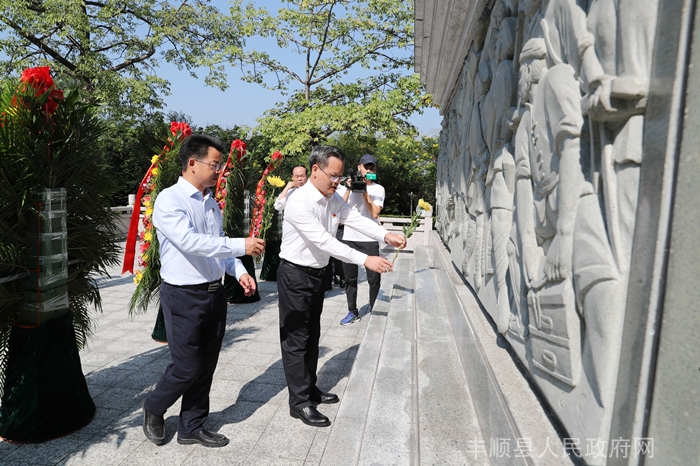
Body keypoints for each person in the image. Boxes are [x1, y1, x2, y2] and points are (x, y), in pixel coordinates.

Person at [142, 134, 265, 448]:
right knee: (186, 366)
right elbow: (190, 243)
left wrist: (238, 270)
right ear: (192, 163)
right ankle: (154, 407)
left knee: (206, 365)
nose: (218, 170)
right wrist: (243, 246)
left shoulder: (211, 202)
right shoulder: (170, 200)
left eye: (220, 165)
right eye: (214, 164)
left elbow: (217, 248)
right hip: (183, 296)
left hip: (214, 294)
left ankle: (191, 427)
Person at [278, 145, 406, 427]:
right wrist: (365, 260)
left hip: (316, 274)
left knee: (312, 335)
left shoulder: (332, 198)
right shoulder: (299, 202)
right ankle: (299, 403)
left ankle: (309, 388)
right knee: (296, 340)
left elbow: (356, 219)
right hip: (295, 275)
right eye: (332, 176)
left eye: (339, 176)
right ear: (315, 169)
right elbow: (325, 242)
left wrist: (385, 235)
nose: (336, 181)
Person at [337, 154, 385, 325]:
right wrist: (349, 189)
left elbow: (374, 213)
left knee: (374, 278)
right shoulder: (345, 187)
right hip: (349, 238)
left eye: (372, 167)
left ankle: (374, 309)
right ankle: (352, 311)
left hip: (369, 239)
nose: (369, 170)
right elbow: (338, 211)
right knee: (350, 278)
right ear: (359, 168)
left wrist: (365, 193)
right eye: (366, 167)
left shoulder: (378, 189)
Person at [260, 166, 308, 281]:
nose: (300, 179)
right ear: (292, 178)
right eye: (297, 176)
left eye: (302, 176)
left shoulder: (312, 193)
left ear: (307, 177)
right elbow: (278, 206)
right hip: (291, 238)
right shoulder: (290, 193)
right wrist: (287, 187)